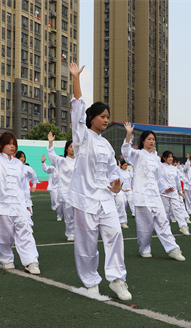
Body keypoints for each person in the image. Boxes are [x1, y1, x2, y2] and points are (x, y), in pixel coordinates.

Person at [68, 62, 131, 300]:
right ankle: (90, 281)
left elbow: (114, 172)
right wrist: (76, 79)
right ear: (92, 118)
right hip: (85, 198)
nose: (106, 120)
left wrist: (116, 186)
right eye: (102, 116)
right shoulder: (82, 136)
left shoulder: (106, 144)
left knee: (115, 234)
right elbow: (77, 110)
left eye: (108, 117)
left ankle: (116, 279)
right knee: (86, 242)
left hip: (105, 199)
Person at [0, 112, 41, 274]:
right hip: (1, 205)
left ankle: (31, 261)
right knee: (3, 237)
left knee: (25, 233)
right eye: (9, 143)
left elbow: (23, 186)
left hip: (19, 205)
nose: (12, 146)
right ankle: (6, 259)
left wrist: (27, 203)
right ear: (1, 145)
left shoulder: (19, 164)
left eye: (14, 143)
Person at [122, 123, 186, 261]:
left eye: (153, 139)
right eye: (149, 139)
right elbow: (126, 153)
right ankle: (144, 248)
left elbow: (159, 178)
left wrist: (164, 188)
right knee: (145, 227)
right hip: (142, 195)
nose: (151, 141)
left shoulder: (157, 159)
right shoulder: (138, 155)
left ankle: (173, 248)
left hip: (155, 195)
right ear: (143, 141)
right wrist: (128, 134)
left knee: (163, 221)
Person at [47, 131, 77, 241]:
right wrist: (50, 143)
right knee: (69, 214)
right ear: (66, 149)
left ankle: (79, 233)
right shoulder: (62, 161)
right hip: (66, 191)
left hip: (78, 191)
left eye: (74, 147)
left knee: (79, 214)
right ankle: (70, 233)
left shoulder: (79, 160)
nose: (73, 149)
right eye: (70, 147)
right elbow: (52, 156)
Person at [160, 151, 190, 235]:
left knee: (178, 209)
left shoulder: (175, 169)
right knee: (166, 212)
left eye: (171, 157)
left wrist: (180, 191)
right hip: (163, 193)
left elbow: (177, 181)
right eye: (168, 157)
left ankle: (183, 226)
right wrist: (163, 189)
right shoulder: (160, 167)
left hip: (173, 193)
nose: (170, 159)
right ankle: (166, 228)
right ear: (164, 158)